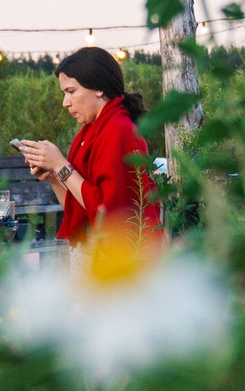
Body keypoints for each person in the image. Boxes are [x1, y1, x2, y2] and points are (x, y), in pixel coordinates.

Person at [14, 46, 159, 244]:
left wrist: (60, 165)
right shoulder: (91, 131)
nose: (66, 102)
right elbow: (81, 211)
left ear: (99, 88)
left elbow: (108, 212)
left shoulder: (118, 130)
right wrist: (53, 177)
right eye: (64, 93)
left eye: (71, 92)